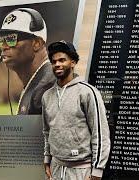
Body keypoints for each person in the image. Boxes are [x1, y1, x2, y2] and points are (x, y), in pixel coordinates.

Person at [42, 41, 110, 180]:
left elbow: (100, 133)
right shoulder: (47, 96)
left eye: (62, 60)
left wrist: (97, 170)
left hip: (81, 170)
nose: (57, 65)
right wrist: (47, 158)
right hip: (56, 168)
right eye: (54, 61)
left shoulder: (88, 92)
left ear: (72, 62)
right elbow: (47, 131)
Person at [0, 8, 56, 115]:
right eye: (0, 40)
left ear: (37, 43)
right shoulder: (38, 82)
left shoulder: (49, 87)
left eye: (11, 39)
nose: (3, 47)